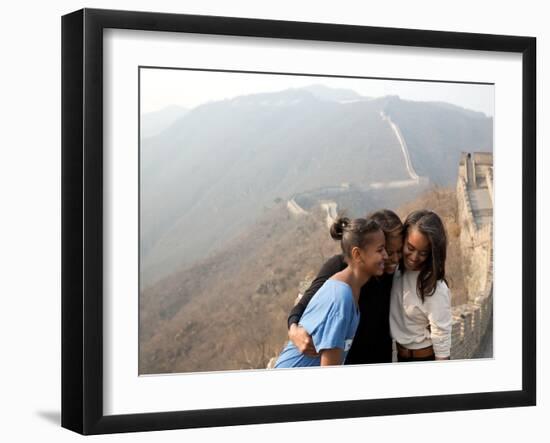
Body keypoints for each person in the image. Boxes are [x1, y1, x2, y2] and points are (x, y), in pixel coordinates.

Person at [287, 209, 403, 364]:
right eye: (384, 250)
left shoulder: (395, 273)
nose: (392, 258)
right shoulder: (340, 272)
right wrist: (294, 331)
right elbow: (305, 304)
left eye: (399, 251)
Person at [390, 209, 452, 362]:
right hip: (400, 356)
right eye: (410, 248)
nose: (414, 257)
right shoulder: (395, 272)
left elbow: (441, 336)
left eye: (423, 253)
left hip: (425, 359)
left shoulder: (435, 287)